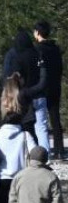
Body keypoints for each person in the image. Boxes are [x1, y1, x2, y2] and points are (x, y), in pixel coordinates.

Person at [32, 22, 63, 158]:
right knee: (55, 118)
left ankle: (40, 149)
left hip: (42, 86)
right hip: (55, 84)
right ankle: (59, 149)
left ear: (38, 33)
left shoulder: (37, 49)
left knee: (40, 120)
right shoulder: (55, 48)